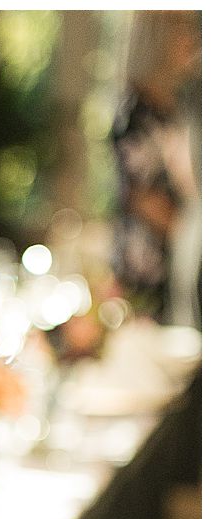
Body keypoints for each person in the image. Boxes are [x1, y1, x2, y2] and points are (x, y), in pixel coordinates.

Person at [112, 12, 202, 322]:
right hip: (148, 269)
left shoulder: (181, 107)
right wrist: (191, 236)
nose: (194, 43)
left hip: (182, 263)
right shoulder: (135, 113)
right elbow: (142, 197)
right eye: (184, 34)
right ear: (159, 43)